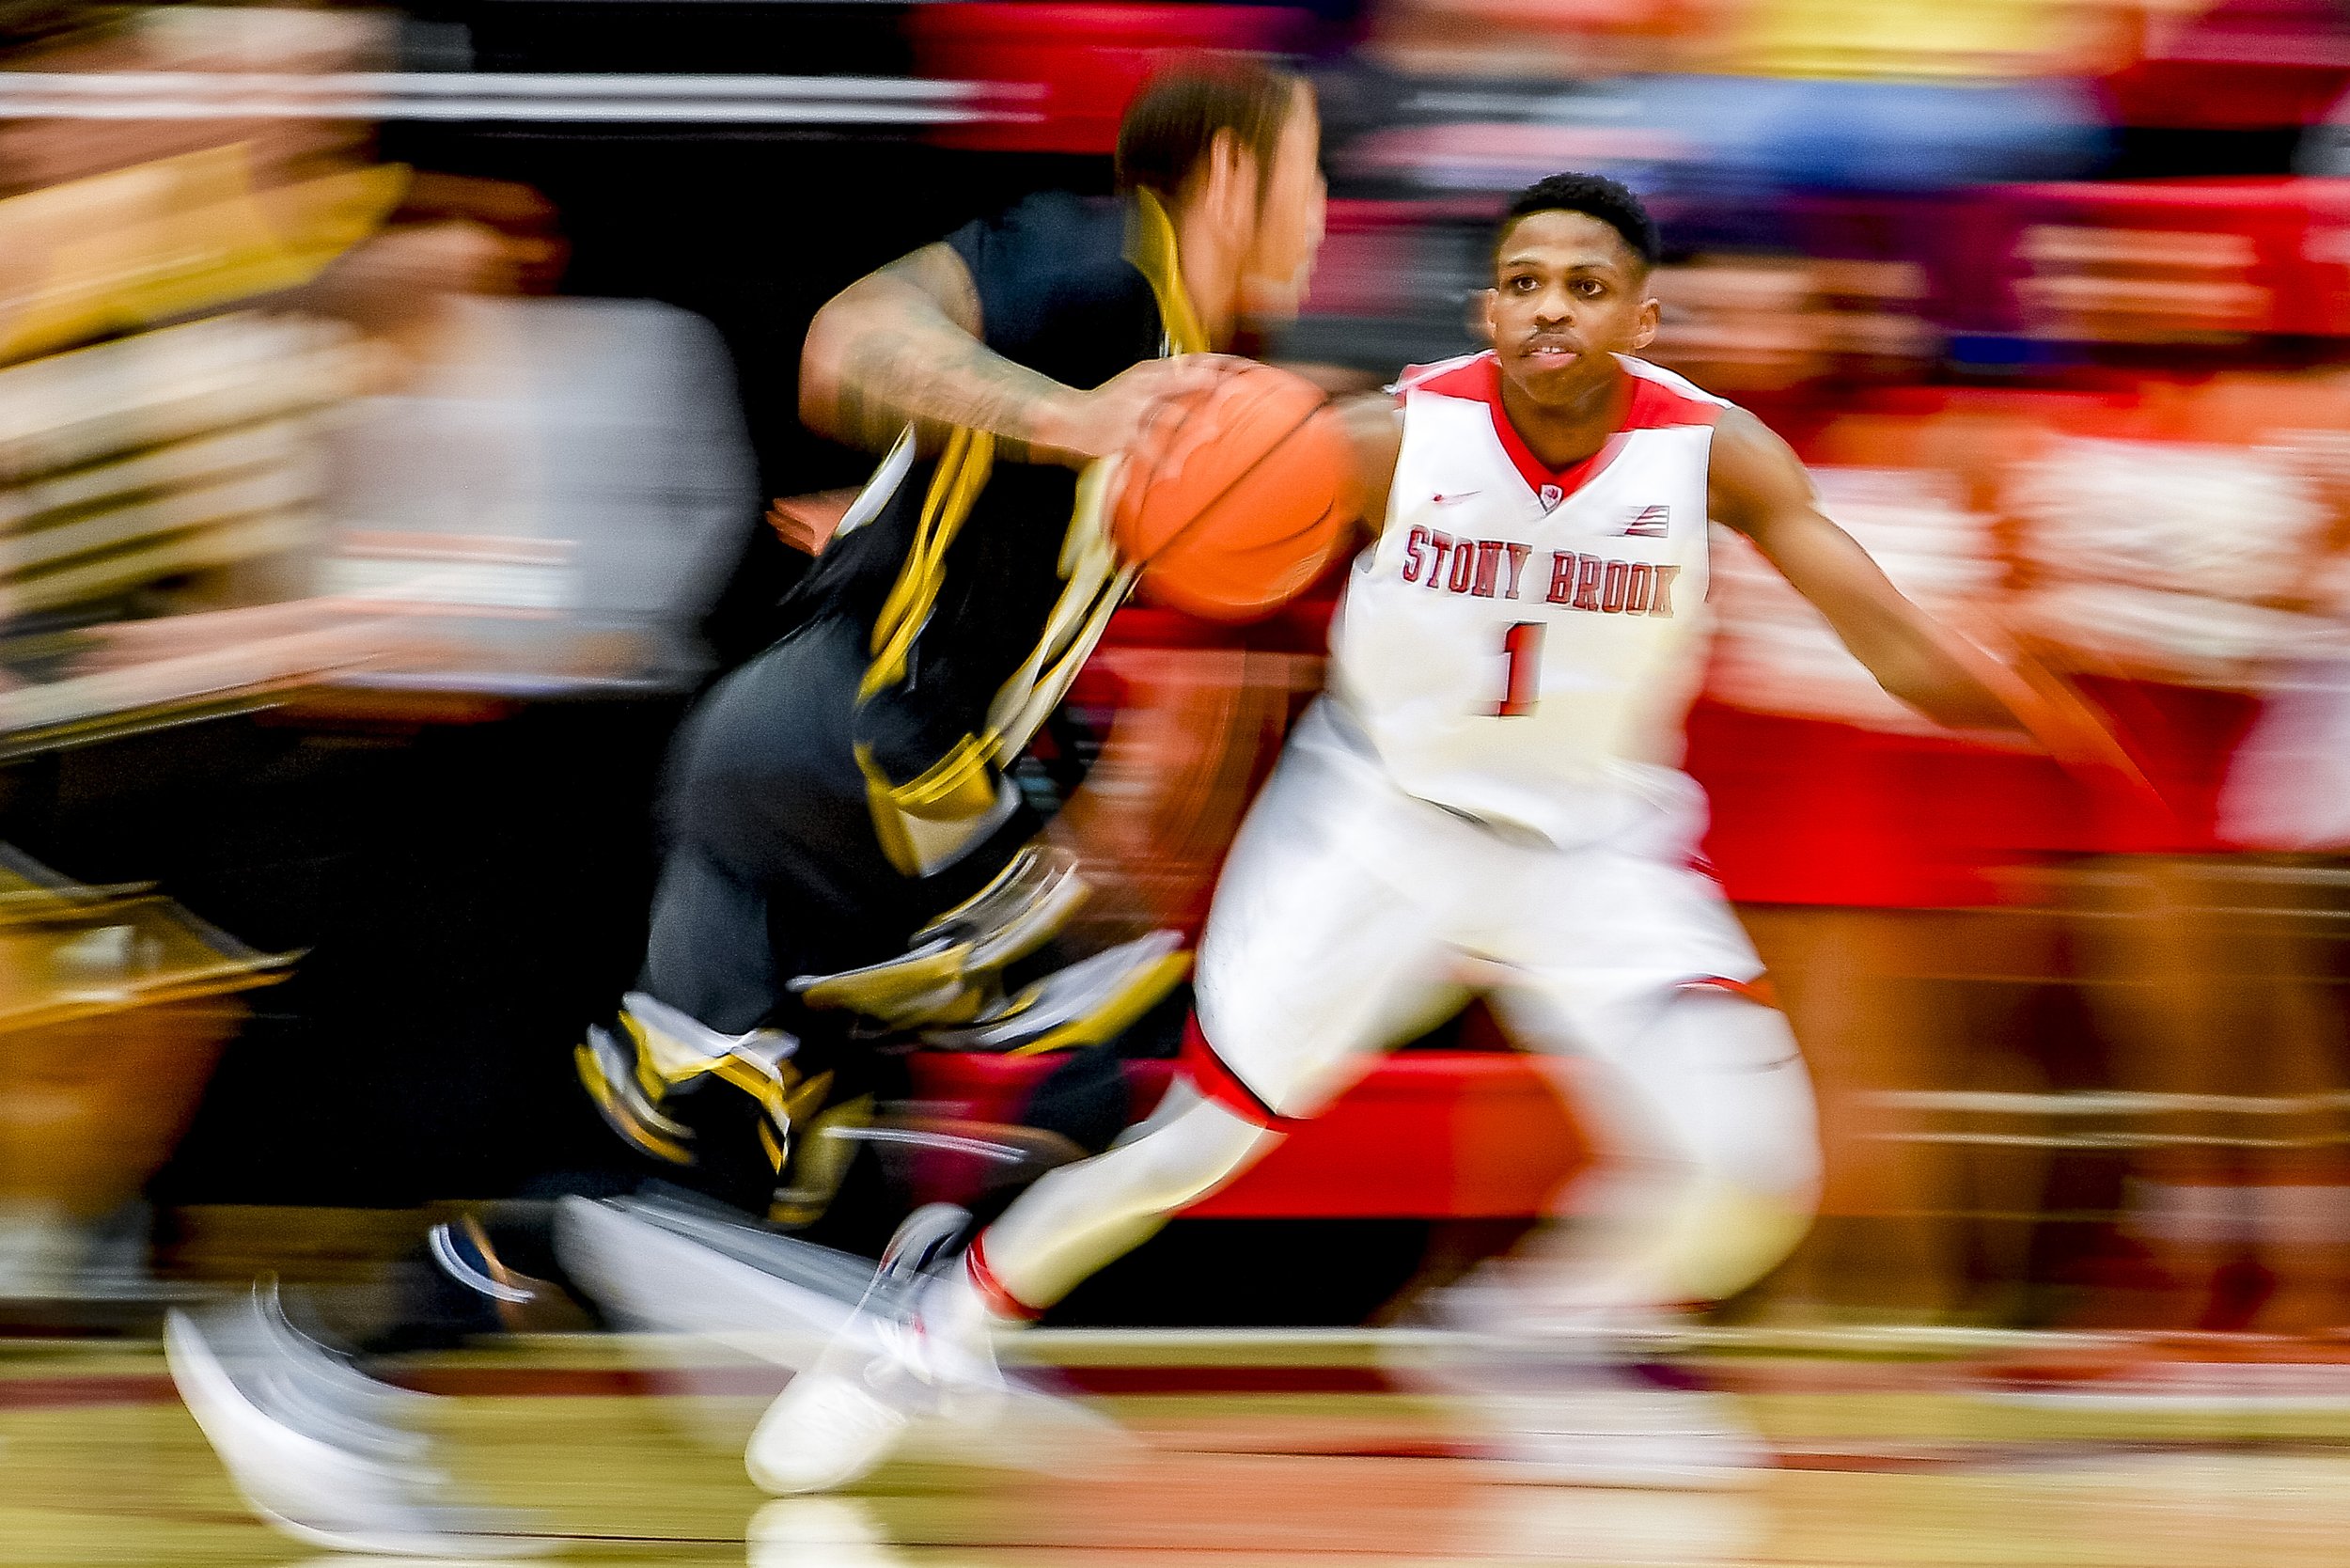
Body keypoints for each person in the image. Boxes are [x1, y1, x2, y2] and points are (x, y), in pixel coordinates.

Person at [731, 171, 2070, 1494]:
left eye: (1588, 288)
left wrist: (2031, 708)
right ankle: (928, 1320)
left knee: (1753, 1178)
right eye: (1528, 286)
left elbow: (1880, 627)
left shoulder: (1716, 452)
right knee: (1193, 1146)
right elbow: (1119, 519)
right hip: (1377, 825)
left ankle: (1527, 1335)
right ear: (1490, 309)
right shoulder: (1380, 437)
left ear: (1644, 321)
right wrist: (890, 545)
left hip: (1597, 852)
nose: (1554, 312)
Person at [163, 60, 1331, 1557]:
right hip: (853, 765)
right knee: (1124, 1015)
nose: (1320, 209)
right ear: (1228, 175)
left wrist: (944, 501)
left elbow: (956, 487)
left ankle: (325, 1377)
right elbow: (854, 340)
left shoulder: (1180, 348)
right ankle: (916, 1311)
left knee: (670, 1165)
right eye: (1305, 172)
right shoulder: (1098, 265)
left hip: (812, 761)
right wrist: (1067, 425)